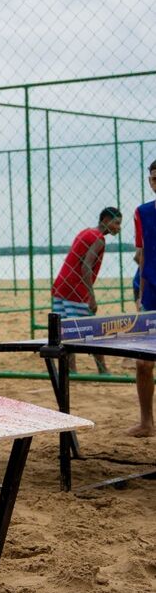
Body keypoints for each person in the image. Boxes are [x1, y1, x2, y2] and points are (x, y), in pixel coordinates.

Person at [50, 206, 121, 374]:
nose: (118, 227)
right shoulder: (98, 239)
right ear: (105, 221)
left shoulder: (86, 232)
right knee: (92, 331)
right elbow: (86, 267)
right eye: (116, 223)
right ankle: (103, 370)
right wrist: (91, 296)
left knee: (66, 330)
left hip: (61, 285)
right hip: (76, 288)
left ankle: (71, 370)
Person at [130, 162, 156, 437]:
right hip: (151, 294)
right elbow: (142, 253)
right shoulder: (143, 212)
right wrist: (139, 297)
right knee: (143, 363)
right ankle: (147, 422)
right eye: (153, 178)